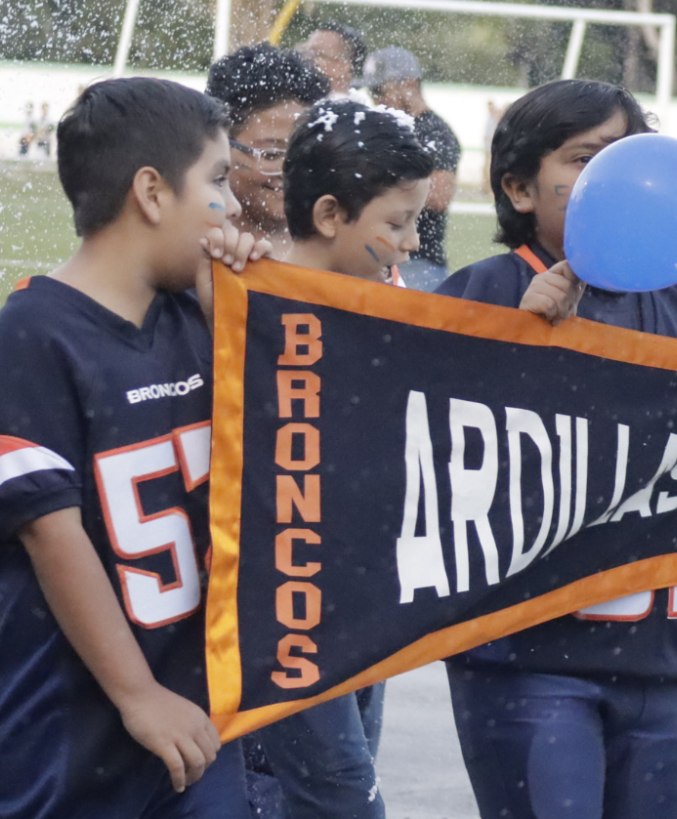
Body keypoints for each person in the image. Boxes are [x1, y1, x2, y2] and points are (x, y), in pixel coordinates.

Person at [435, 79, 677, 819]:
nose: (610, 180)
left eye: (623, 157)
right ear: (519, 186)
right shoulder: (479, 295)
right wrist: (514, 348)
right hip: (527, 659)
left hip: (664, 663)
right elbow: (434, 475)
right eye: (586, 159)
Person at [0, 76, 262, 819]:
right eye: (217, 180)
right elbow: (55, 537)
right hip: (62, 731)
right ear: (151, 191)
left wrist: (235, 322)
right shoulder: (26, 342)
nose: (235, 206)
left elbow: (288, 463)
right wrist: (138, 693)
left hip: (195, 715)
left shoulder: (199, 322)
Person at [241, 97, 433, 819]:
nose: (412, 241)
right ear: (328, 216)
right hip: (281, 618)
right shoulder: (245, 300)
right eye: (396, 222)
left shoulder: (390, 302)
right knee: (341, 802)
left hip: (359, 614)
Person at [205, 43, 330, 258]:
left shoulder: (342, 249)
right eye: (272, 154)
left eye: (306, 153)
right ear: (221, 146)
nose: (292, 171)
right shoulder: (195, 250)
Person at [360, 47, 460, 290]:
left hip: (418, 262)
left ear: (409, 84)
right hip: (381, 258)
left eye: (380, 90)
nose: (376, 100)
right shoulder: (389, 128)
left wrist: (372, 187)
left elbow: (438, 197)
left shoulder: (436, 132)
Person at [297, 22, 367, 100]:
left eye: (315, 54)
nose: (305, 58)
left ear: (342, 67)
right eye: (304, 51)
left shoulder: (343, 110)